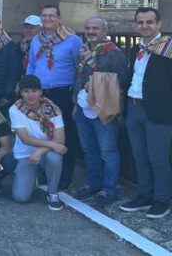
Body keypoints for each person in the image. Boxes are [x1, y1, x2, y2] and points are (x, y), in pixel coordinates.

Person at [120, 7, 172, 219]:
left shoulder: (168, 48)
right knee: (139, 155)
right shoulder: (137, 49)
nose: (145, 26)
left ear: (159, 24)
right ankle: (144, 195)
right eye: (140, 22)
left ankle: (161, 200)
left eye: (149, 22)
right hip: (134, 107)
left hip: (158, 111)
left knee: (157, 157)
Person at [70, 17, 128, 207]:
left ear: (104, 31)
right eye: (88, 28)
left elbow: (122, 81)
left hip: (104, 109)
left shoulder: (114, 54)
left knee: (108, 151)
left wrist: (97, 84)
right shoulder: (83, 51)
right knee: (89, 149)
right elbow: (78, 78)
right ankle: (93, 184)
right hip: (83, 108)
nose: (91, 31)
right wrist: (75, 104)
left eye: (95, 28)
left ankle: (109, 190)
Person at [27, 4, 83, 190]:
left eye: (51, 16)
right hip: (41, 93)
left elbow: (79, 67)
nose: (47, 19)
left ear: (59, 18)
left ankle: (64, 175)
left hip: (62, 93)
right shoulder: (37, 39)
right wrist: (28, 87)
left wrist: (76, 95)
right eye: (44, 16)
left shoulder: (72, 40)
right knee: (42, 132)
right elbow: (32, 64)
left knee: (64, 134)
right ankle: (45, 171)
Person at [10, 75, 67, 211]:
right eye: (26, 91)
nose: (31, 95)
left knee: (55, 157)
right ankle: (34, 177)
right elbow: (25, 139)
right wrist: (52, 145)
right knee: (20, 197)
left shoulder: (53, 109)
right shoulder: (15, 109)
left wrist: (40, 151)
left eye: (34, 91)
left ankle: (52, 192)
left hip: (46, 153)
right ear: (21, 93)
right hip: (26, 155)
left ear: (41, 92)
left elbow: (60, 140)